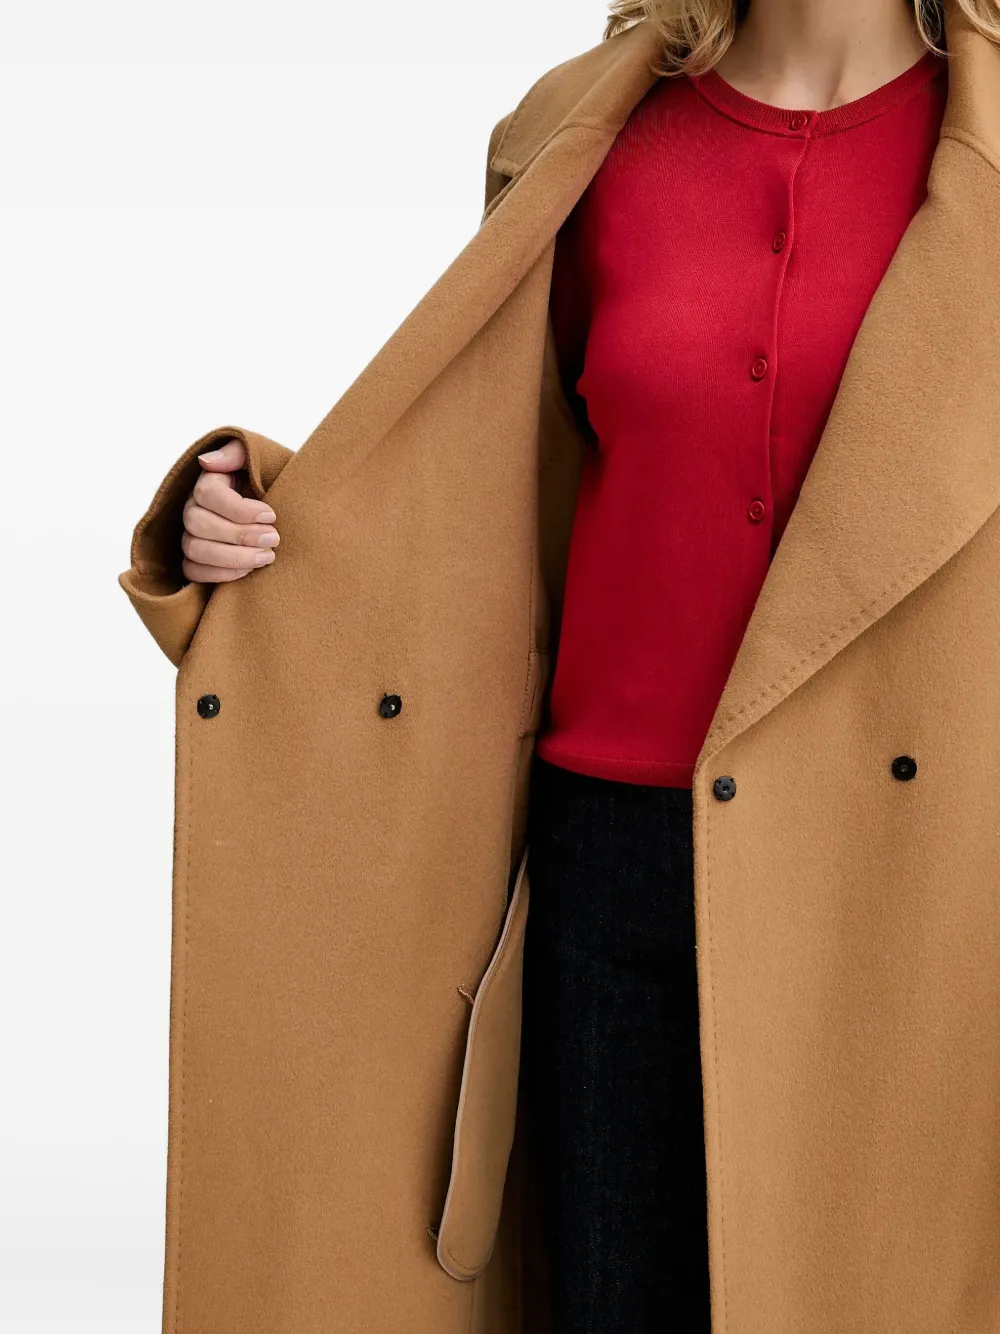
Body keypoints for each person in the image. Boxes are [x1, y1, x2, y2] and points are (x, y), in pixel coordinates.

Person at [121, 1, 1000, 1331]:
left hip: (907, 869)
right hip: (607, 867)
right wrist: (258, 522)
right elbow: (484, 501)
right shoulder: (585, 133)